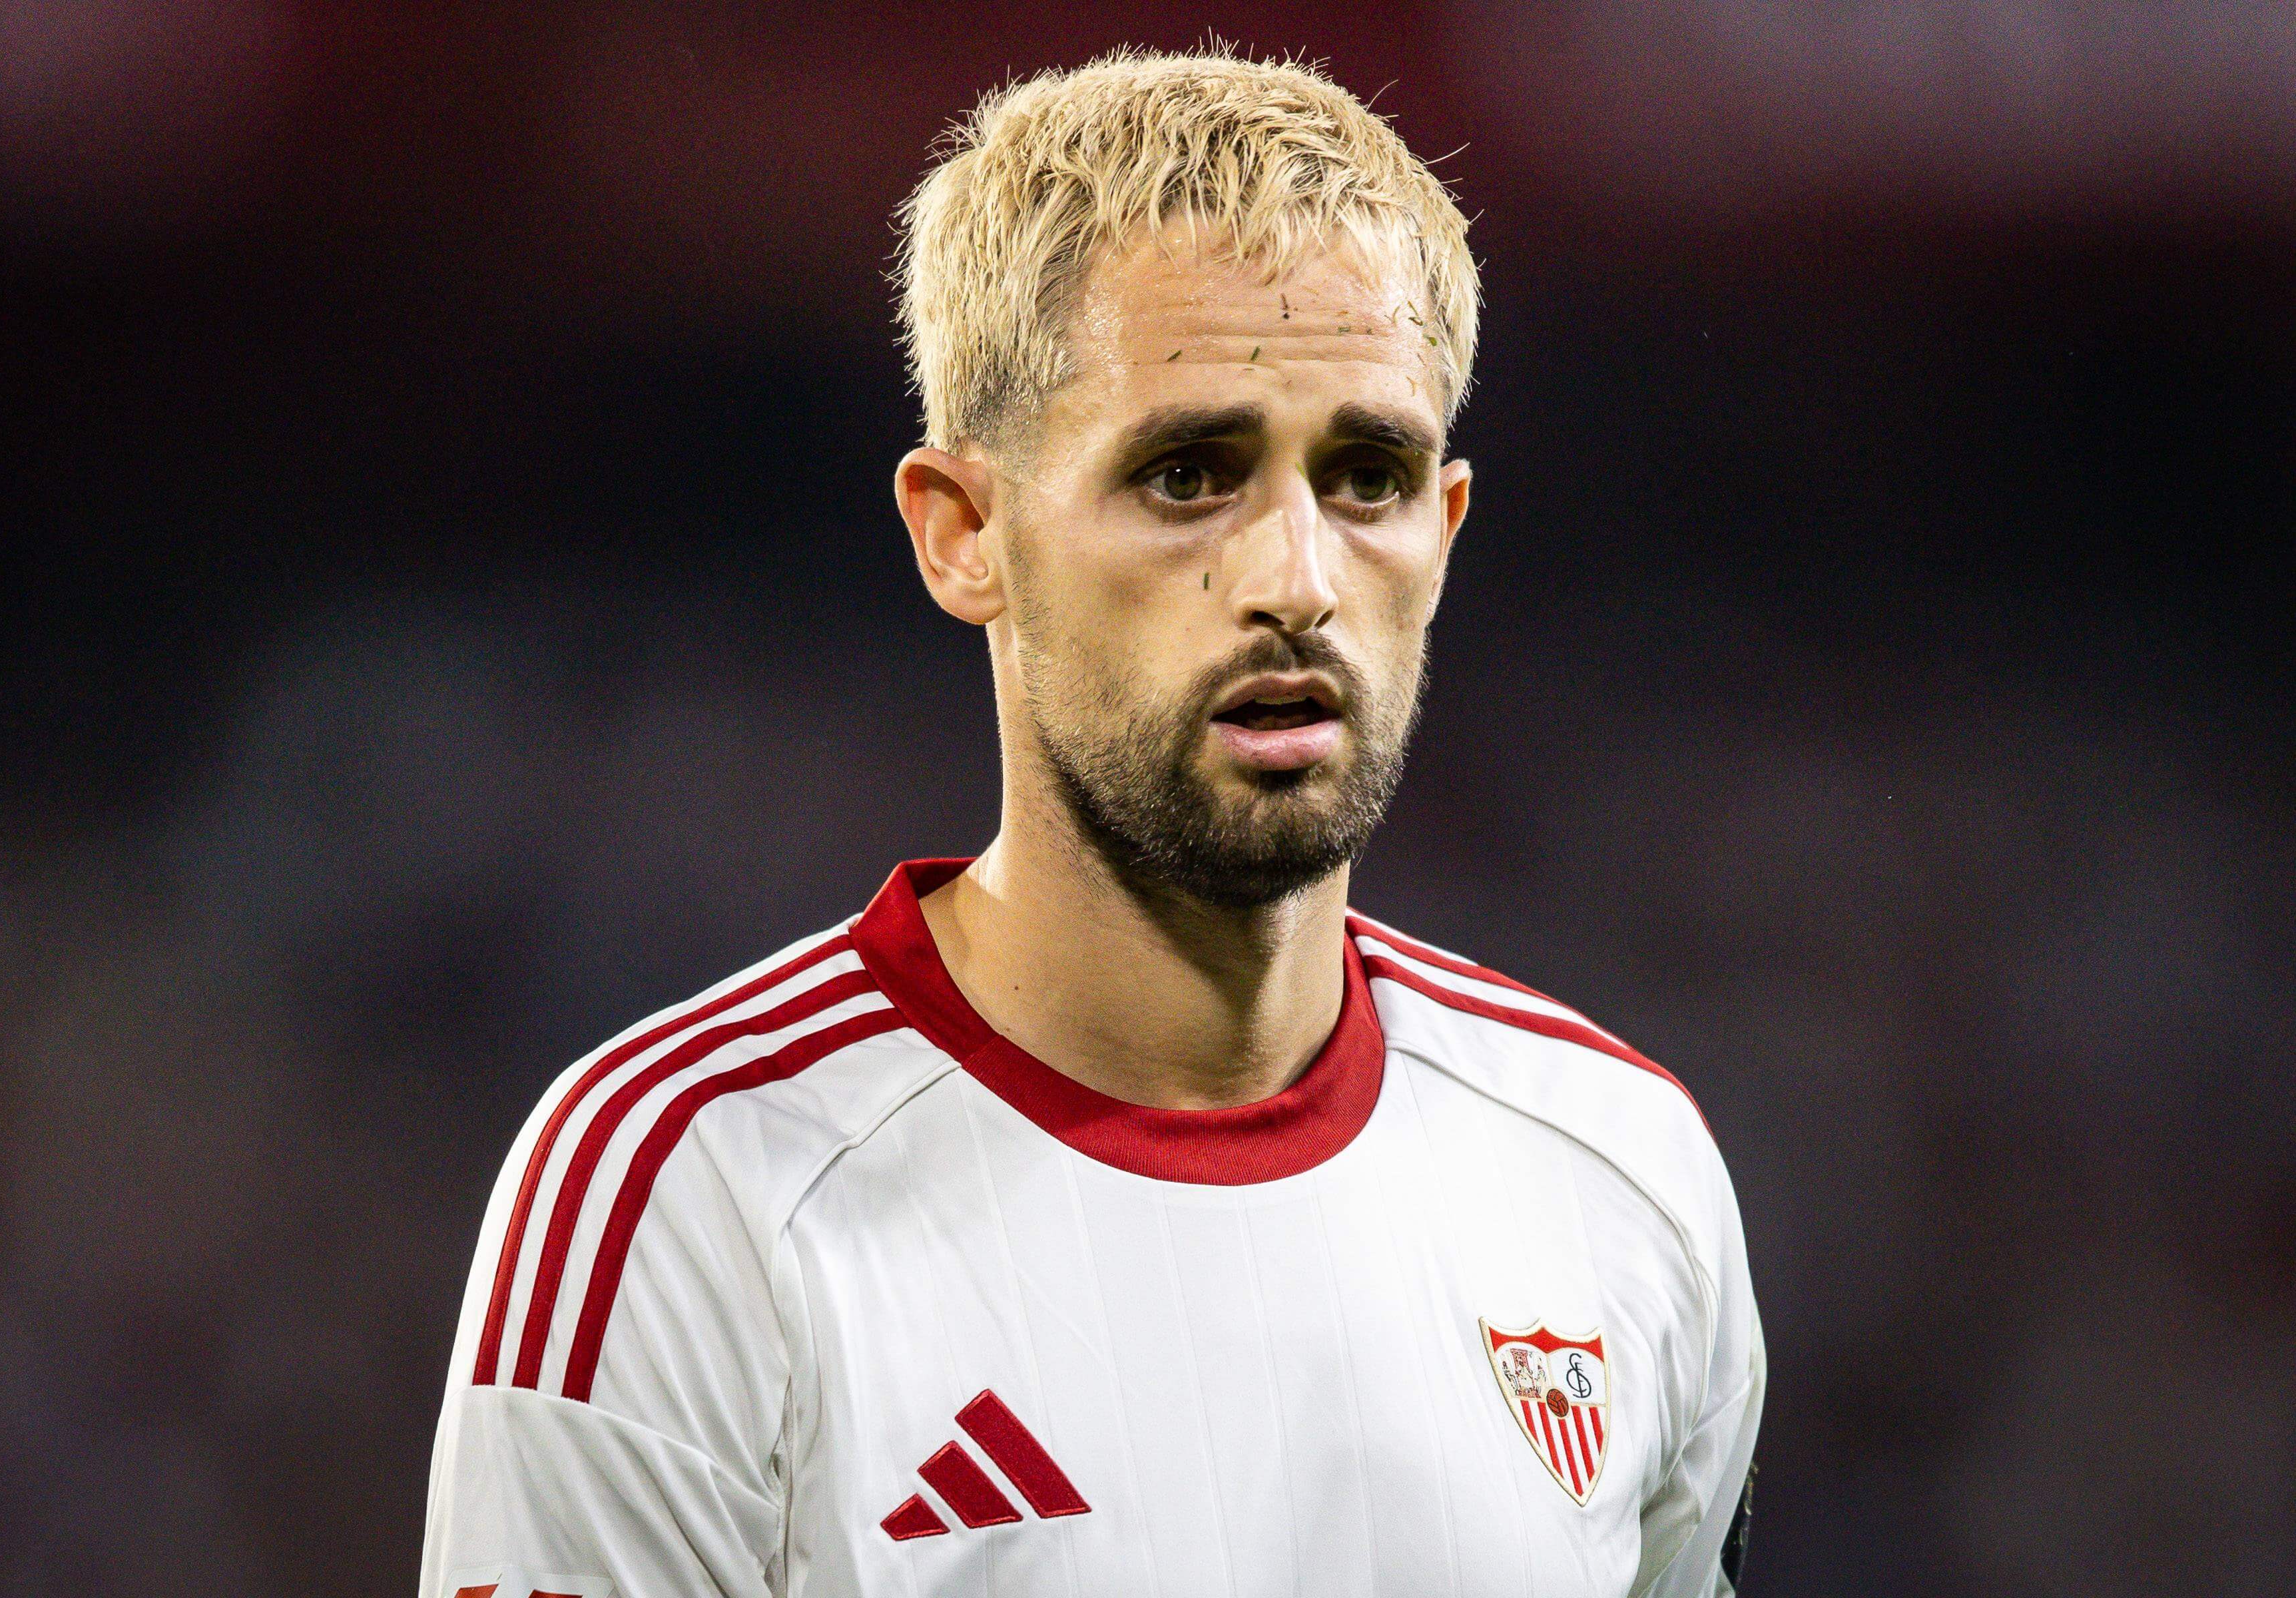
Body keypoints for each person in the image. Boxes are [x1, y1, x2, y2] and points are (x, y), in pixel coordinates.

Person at [422, 47, 1763, 1598]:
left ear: (1443, 529)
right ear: (964, 534)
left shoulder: (1618, 1173)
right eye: (1188, 474)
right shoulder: (681, 1197)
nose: (1297, 579)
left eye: (1366, 476)